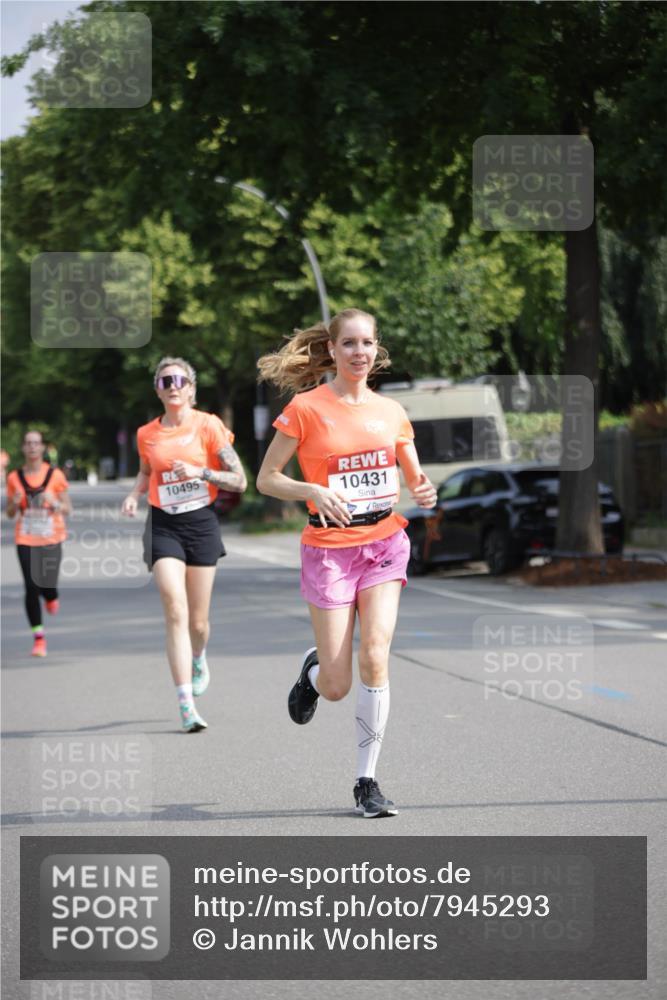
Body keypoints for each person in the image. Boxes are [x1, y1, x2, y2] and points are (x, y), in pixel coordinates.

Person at [256, 308, 437, 817]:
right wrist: (311, 489)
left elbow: (414, 477)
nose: (360, 352)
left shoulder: (392, 412)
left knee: (375, 655)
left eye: (368, 343)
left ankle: (366, 781)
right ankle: (313, 673)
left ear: (377, 349)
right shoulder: (306, 408)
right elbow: (267, 479)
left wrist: (423, 490)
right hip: (329, 551)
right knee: (337, 686)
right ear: (332, 350)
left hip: (384, 543)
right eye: (350, 343)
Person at [121, 357, 247, 733]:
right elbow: (146, 470)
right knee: (175, 608)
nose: (173, 386)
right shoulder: (147, 433)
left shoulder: (208, 425)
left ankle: (198, 655)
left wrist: (200, 472)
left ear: (191, 388)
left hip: (201, 524)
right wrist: (134, 495)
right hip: (164, 525)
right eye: (165, 381)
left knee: (198, 622)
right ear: (157, 391)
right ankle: (186, 704)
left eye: (180, 380)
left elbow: (239, 480)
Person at [6, 431, 71, 657]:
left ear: (43, 447)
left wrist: (55, 503)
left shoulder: (55, 475)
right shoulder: (14, 477)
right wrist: (14, 503)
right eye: (28, 443)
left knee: (48, 584)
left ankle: (51, 597)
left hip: (51, 536)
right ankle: (39, 639)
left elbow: (68, 508)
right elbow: (10, 513)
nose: (32, 447)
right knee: (31, 586)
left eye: (36, 443)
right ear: (23, 448)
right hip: (26, 537)